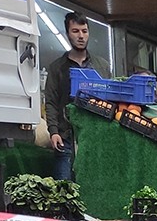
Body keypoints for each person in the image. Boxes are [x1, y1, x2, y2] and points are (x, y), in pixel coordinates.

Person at [42, 13, 108, 182]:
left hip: (94, 137)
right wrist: (54, 131)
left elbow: (110, 99)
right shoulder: (57, 68)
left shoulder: (101, 66)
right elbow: (51, 101)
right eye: (75, 31)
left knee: (94, 185)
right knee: (64, 188)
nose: (81, 36)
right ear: (67, 34)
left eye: (84, 31)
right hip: (65, 136)